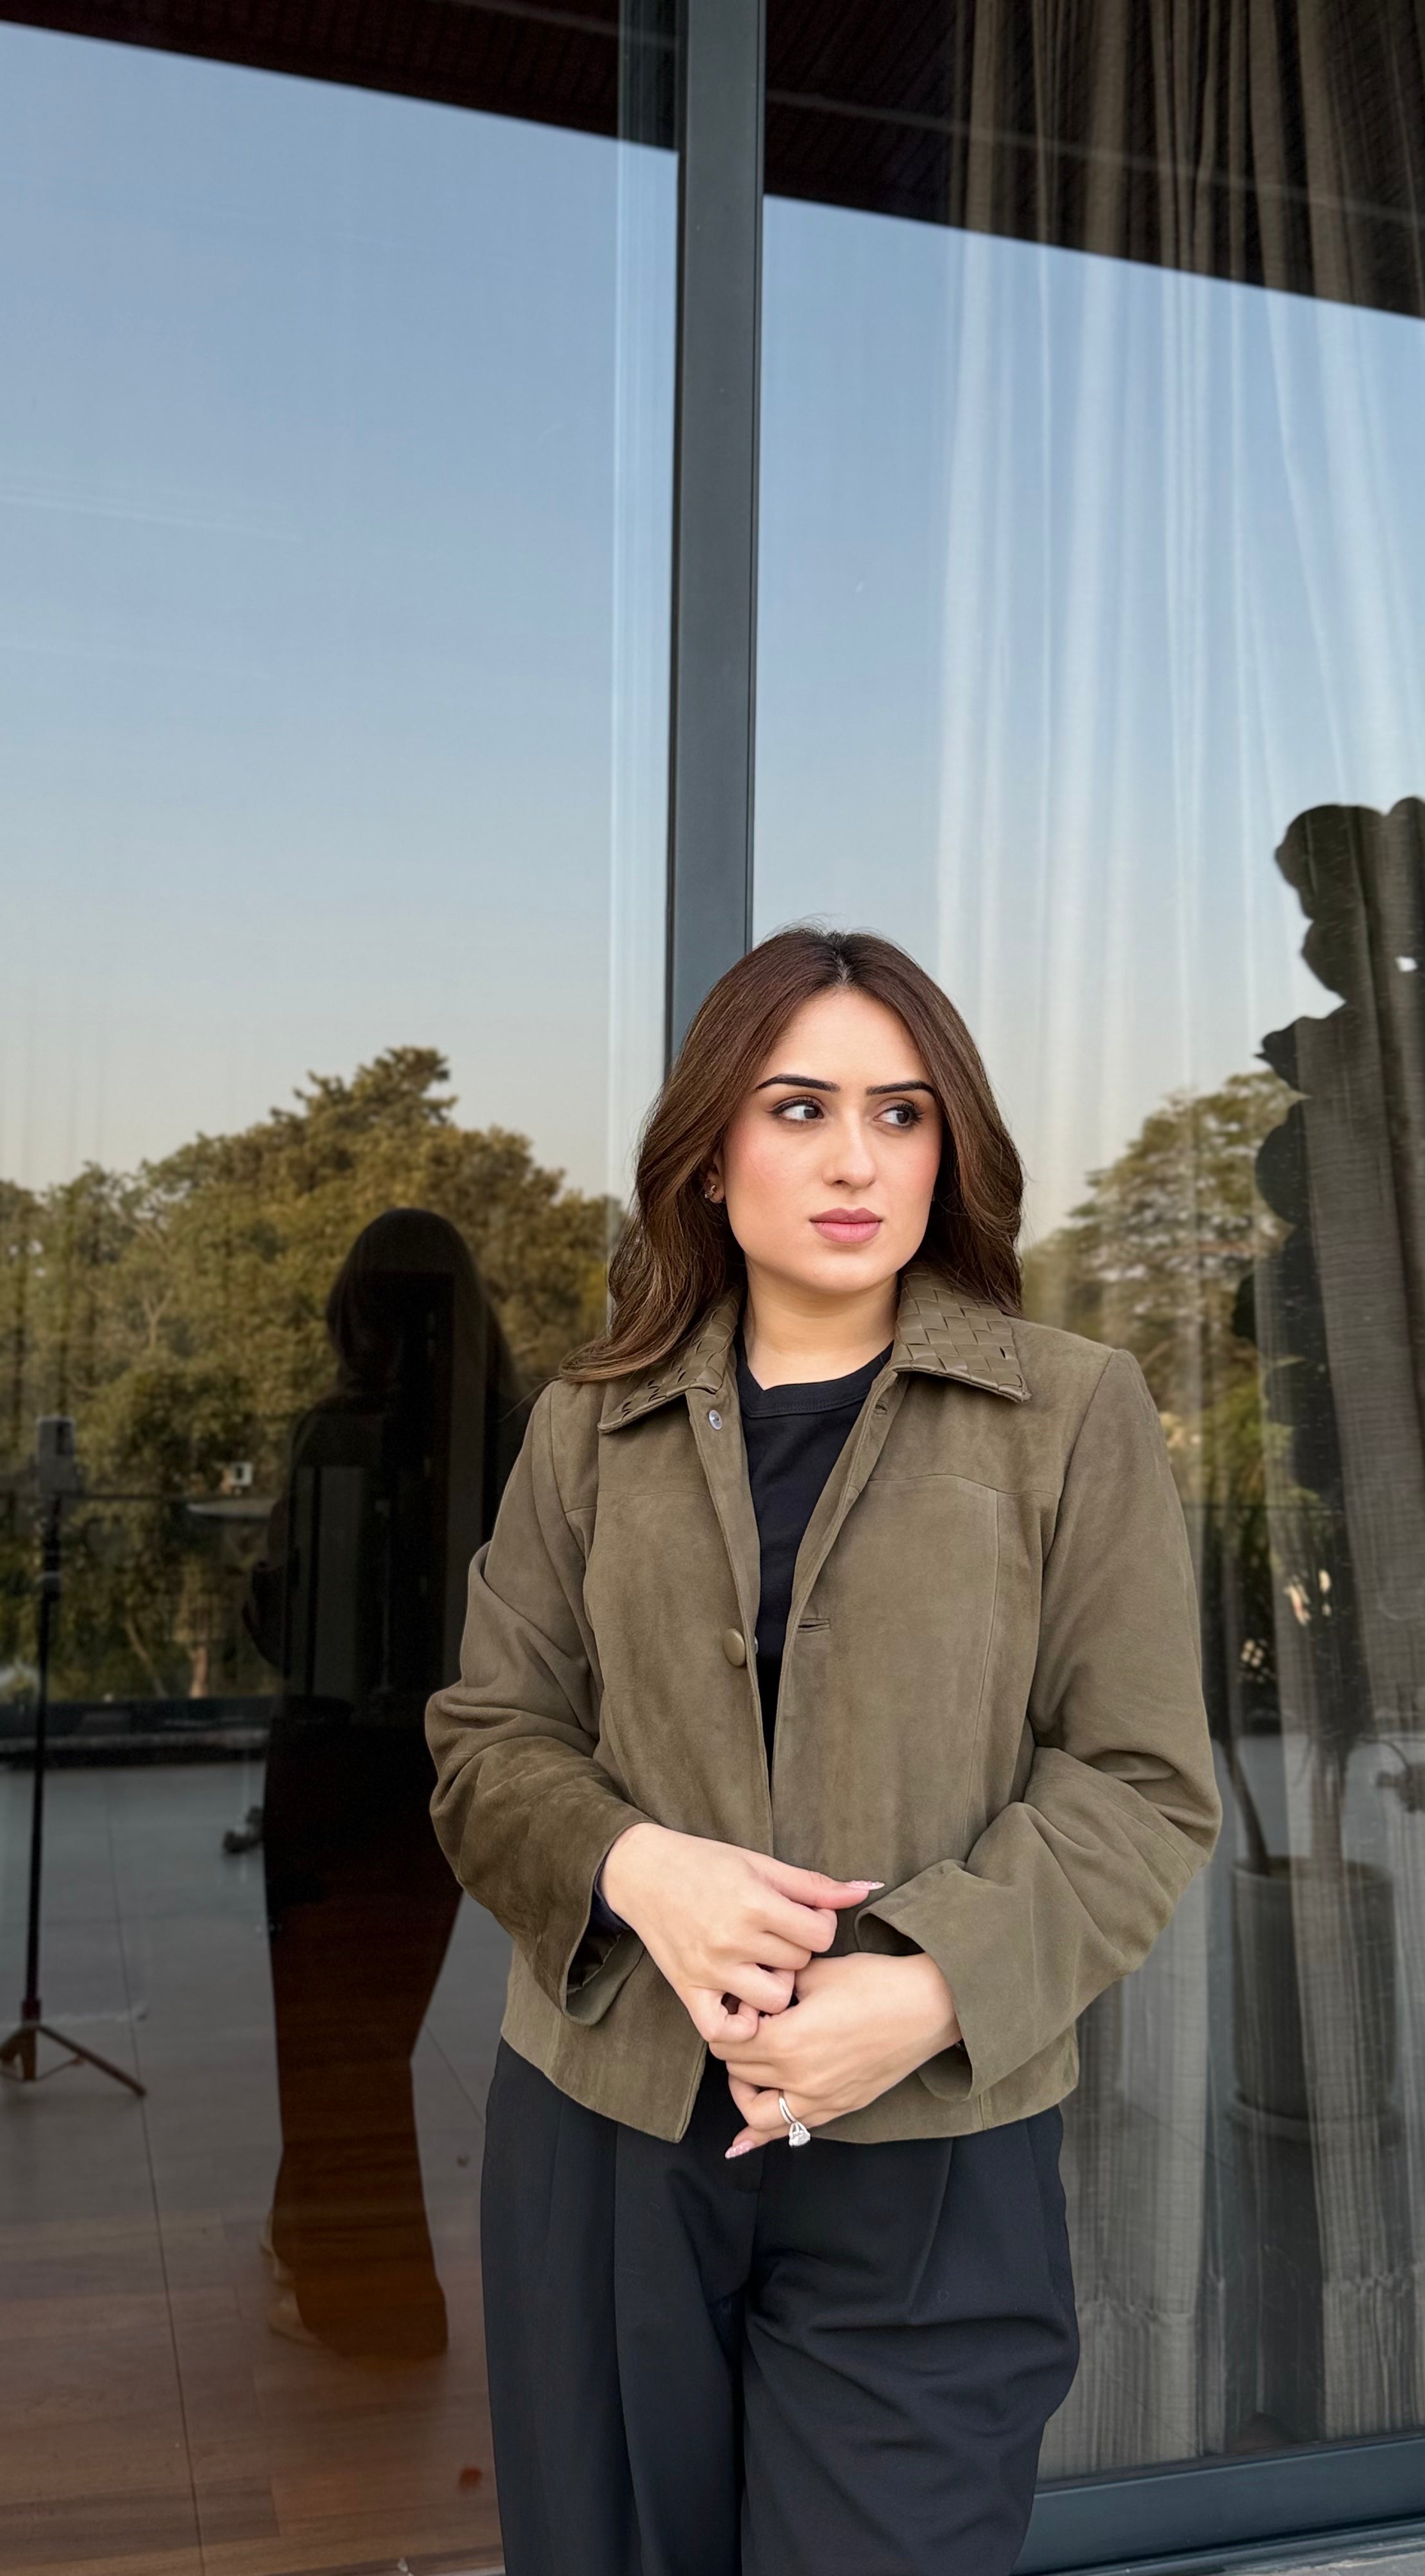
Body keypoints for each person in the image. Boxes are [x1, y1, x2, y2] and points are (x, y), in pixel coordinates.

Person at [425, 928, 1222, 2572]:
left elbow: (1141, 1783)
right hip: (607, 2130)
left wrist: (930, 1991)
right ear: (711, 1156)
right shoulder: (588, 1421)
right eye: (799, 1108)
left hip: (933, 2157)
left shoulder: (1075, 1413)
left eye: (901, 1113)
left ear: (950, 1151)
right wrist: (636, 1867)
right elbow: (488, 1744)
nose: (857, 1159)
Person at [247, 1206, 527, 2359]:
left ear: (358, 1317)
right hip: (450, 1768)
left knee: (331, 2039)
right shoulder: (519, 1441)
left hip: (334, 1770)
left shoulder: (338, 1439)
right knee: (367, 2031)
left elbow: (288, 1627)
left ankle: (376, 2311)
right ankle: (308, 2237)